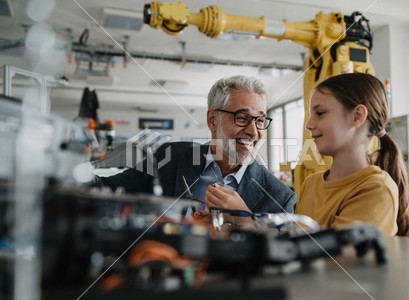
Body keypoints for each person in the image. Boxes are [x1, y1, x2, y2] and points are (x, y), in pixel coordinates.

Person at [92, 75, 297, 216]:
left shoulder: (280, 197)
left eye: (260, 120)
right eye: (242, 118)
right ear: (212, 120)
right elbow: (106, 189)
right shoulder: (170, 156)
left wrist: (244, 220)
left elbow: (277, 263)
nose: (253, 132)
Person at [295, 73, 409, 237]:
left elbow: (341, 261)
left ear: (357, 116)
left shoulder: (376, 189)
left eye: (320, 113)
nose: (309, 125)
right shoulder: (310, 184)